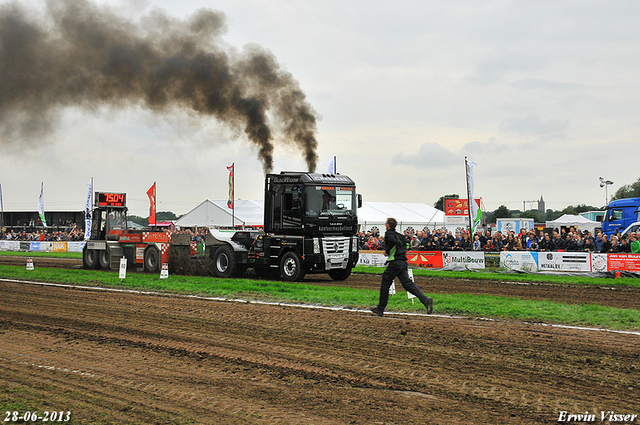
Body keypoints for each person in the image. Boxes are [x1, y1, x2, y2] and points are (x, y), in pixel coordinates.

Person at [370, 218, 433, 317]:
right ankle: (425, 300)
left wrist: (387, 250)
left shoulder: (389, 234)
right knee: (407, 284)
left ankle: (380, 308)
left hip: (395, 263)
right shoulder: (400, 236)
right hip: (403, 262)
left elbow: (392, 241)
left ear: (388, 225)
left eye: (386, 224)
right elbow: (405, 244)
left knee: (385, 282)